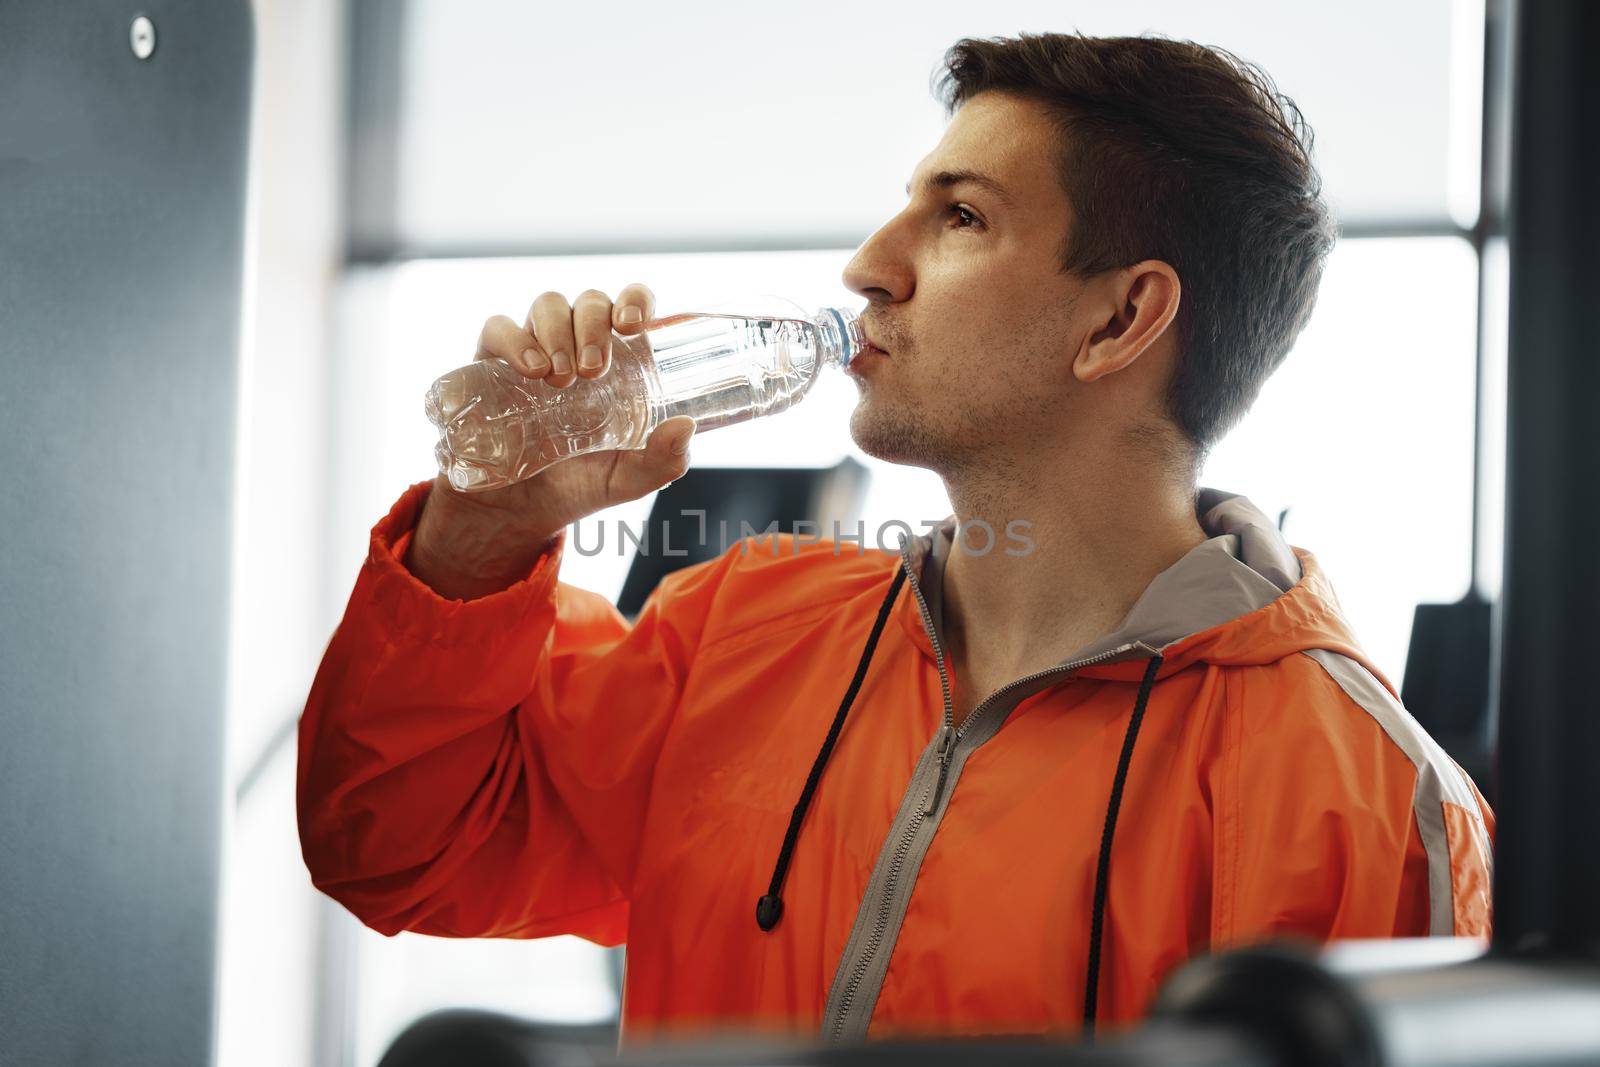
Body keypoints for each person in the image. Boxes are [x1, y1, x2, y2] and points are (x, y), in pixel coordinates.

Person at [297, 31, 1495, 1049]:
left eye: (961, 215)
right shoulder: (745, 626)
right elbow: (396, 847)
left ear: (1121, 317)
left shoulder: (1364, 799)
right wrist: (483, 534)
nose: (869, 267)